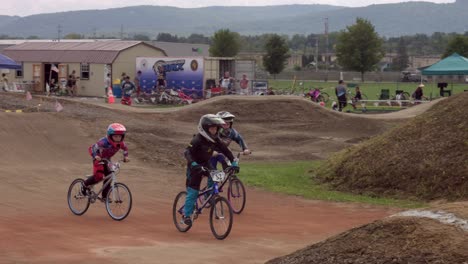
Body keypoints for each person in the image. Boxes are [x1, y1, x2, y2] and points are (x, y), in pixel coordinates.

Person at [183, 114, 238, 225]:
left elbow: (226, 150)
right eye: (212, 128)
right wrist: (193, 164)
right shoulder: (197, 139)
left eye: (216, 128)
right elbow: (187, 152)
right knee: (193, 192)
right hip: (195, 166)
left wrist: (233, 163)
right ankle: (186, 215)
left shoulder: (215, 139)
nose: (214, 130)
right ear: (204, 128)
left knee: (216, 179)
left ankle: (209, 196)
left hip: (206, 163)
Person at [81, 123, 130, 201]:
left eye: (120, 137)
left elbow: (125, 149)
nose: (118, 138)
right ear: (110, 136)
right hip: (98, 159)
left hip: (107, 160)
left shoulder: (121, 144)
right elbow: (92, 148)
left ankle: (105, 196)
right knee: (99, 176)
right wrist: (95, 156)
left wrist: (126, 157)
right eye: (115, 136)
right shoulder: (103, 142)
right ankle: (84, 184)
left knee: (110, 176)